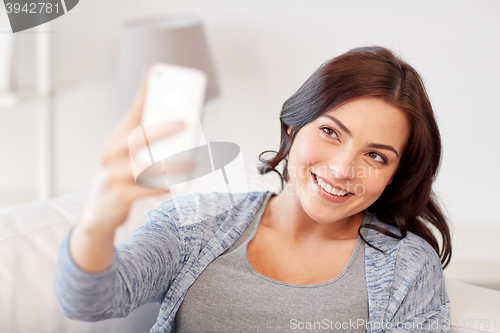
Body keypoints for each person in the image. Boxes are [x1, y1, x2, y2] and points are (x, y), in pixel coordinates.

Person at [55, 46, 452, 332]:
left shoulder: (408, 268)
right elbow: (90, 301)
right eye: (330, 132)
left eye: (376, 156)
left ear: (396, 174)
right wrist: (97, 222)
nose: (342, 168)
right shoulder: (195, 224)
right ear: (294, 127)